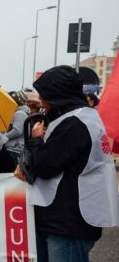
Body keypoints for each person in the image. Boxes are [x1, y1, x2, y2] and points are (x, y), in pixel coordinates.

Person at [14, 66, 119, 262]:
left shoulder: (74, 124)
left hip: (67, 222)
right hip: (62, 219)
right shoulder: (82, 118)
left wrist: (36, 140)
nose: (41, 100)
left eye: (44, 94)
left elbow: (43, 165)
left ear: (57, 95)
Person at [3, 90, 30, 162]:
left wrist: (4, 137)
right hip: (15, 148)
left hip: (15, 149)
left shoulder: (19, 113)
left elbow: (17, 130)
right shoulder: (21, 112)